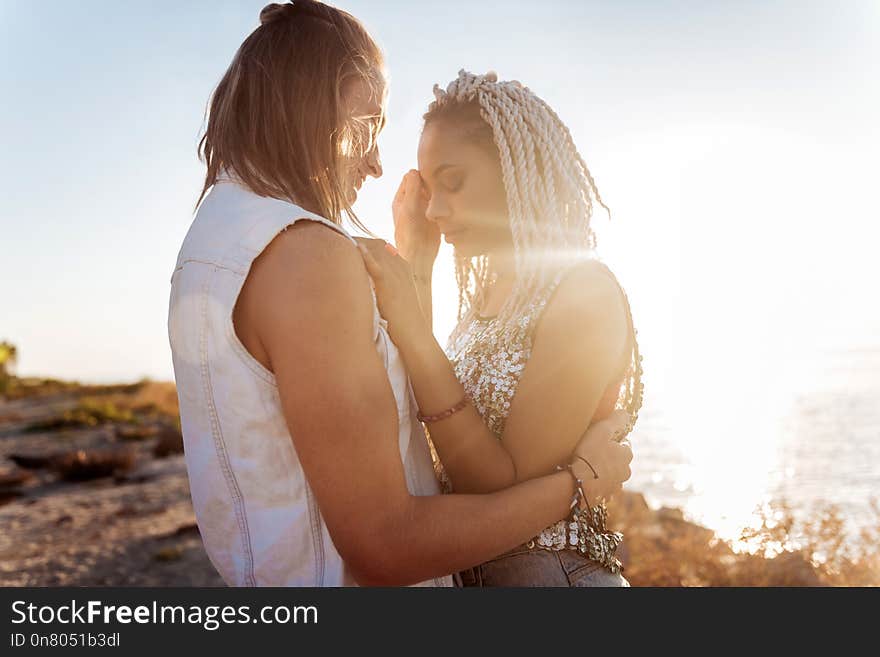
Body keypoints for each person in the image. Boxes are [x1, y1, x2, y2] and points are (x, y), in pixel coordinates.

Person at [168, 0, 632, 587]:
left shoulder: (215, 242)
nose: (377, 164)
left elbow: (403, 429)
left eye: (453, 182)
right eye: (372, 126)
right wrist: (579, 484)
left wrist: (415, 270)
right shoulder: (306, 254)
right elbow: (385, 541)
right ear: (328, 104)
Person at [358, 70, 644, 586]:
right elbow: (425, 414)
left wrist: (412, 325)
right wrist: (418, 263)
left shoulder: (584, 292)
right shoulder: (488, 297)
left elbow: (499, 489)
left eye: (454, 182)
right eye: (429, 190)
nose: (436, 209)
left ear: (518, 169)